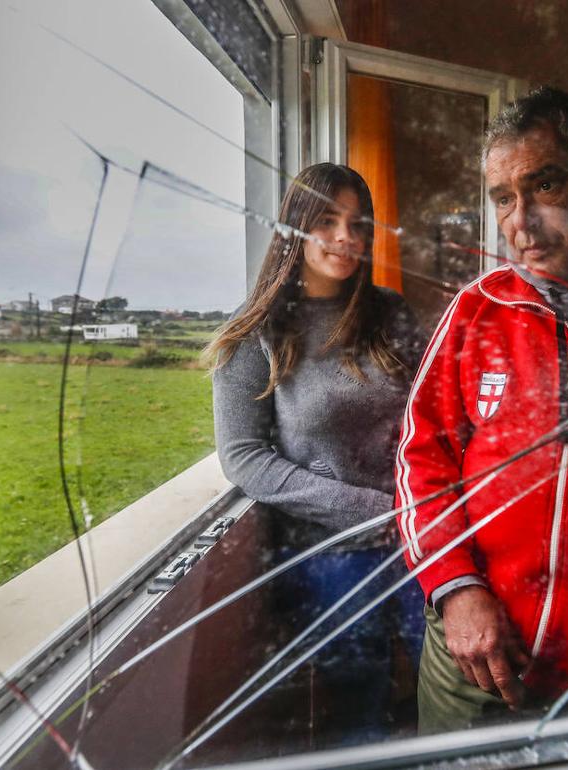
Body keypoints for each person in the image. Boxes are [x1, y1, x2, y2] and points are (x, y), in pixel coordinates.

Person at [394, 87, 568, 732]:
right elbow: (420, 459)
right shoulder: (478, 309)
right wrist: (456, 588)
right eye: (503, 198)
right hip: (479, 651)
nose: (521, 221)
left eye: (546, 185)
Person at [207, 163, 426, 744]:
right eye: (327, 221)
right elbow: (244, 456)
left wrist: (421, 509)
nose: (345, 239)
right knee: (360, 709)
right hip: (332, 553)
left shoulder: (389, 313)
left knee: (453, 683)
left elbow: (431, 415)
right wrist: (369, 509)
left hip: (425, 536)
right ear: (294, 228)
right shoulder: (257, 330)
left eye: (358, 225)